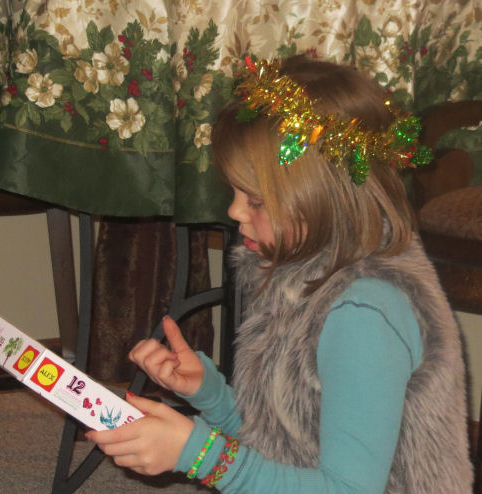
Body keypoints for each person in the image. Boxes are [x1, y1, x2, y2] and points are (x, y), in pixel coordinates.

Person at [86, 55, 473, 493]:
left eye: (255, 201)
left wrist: (200, 454)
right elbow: (288, 443)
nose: (234, 211)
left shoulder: (364, 312)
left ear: (325, 198)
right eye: (235, 192)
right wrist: (211, 395)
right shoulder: (301, 269)